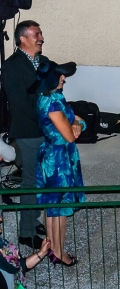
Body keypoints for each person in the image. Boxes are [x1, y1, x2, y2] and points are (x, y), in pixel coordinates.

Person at [29, 60, 85, 267]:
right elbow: (70, 136)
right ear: (53, 78)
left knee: (53, 207)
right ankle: (59, 253)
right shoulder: (53, 103)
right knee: (59, 208)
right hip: (58, 159)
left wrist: (77, 123)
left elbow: (76, 120)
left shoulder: (51, 97)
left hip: (53, 154)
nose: (64, 78)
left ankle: (53, 249)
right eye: (61, 75)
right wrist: (76, 126)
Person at [1, 21, 47, 250]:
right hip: (29, 132)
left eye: (40, 33)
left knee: (40, 179)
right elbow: (20, 104)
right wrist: (49, 118)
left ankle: (34, 218)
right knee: (31, 182)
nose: (41, 38)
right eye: (36, 34)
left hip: (43, 128)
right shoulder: (12, 66)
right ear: (23, 39)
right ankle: (26, 233)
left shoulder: (41, 61)